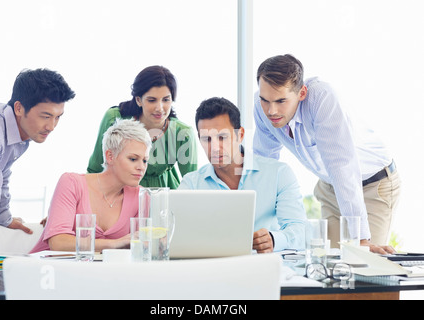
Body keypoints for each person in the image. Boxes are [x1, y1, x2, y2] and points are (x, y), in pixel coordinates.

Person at [253, 54, 400, 254]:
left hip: (374, 184)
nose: (271, 111)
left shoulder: (322, 99)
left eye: (281, 101)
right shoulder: (262, 106)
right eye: (265, 100)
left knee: (364, 263)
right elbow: (264, 163)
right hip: (331, 187)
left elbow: (342, 166)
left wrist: (361, 239)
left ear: (302, 93)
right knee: (330, 266)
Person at [178, 97, 307, 253]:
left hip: (263, 267)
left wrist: (273, 239)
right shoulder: (191, 184)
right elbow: (176, 233)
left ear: (240, 135)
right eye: (207, 139)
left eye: (222, 137)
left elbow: (300, 231)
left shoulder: (279, 173)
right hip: (212, 268)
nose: (214, 147)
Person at [0, 68, 75, 253]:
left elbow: (0, 178)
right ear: (19, 108)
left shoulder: (21, 132)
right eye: (46, 116)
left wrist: (4, 219)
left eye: (58, 117)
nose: (51, 126)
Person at [30, 119, 152, 253]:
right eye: (133, 159)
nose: (141, 167)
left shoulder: (140, 196)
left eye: (145, 160)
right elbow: (58, 243)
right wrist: (116, 243)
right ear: (110, 156)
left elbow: (142, 246)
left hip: (96, 272)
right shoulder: (71, 183)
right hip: (48, 269)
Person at [87, 65, 197, 189]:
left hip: (164, 196)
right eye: (152, 100)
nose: (159, 108)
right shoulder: (114, 118)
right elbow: (95, 169)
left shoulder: (183, 133)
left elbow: (193, 185)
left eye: (166, 100)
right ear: (138, 100)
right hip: (119, 195)